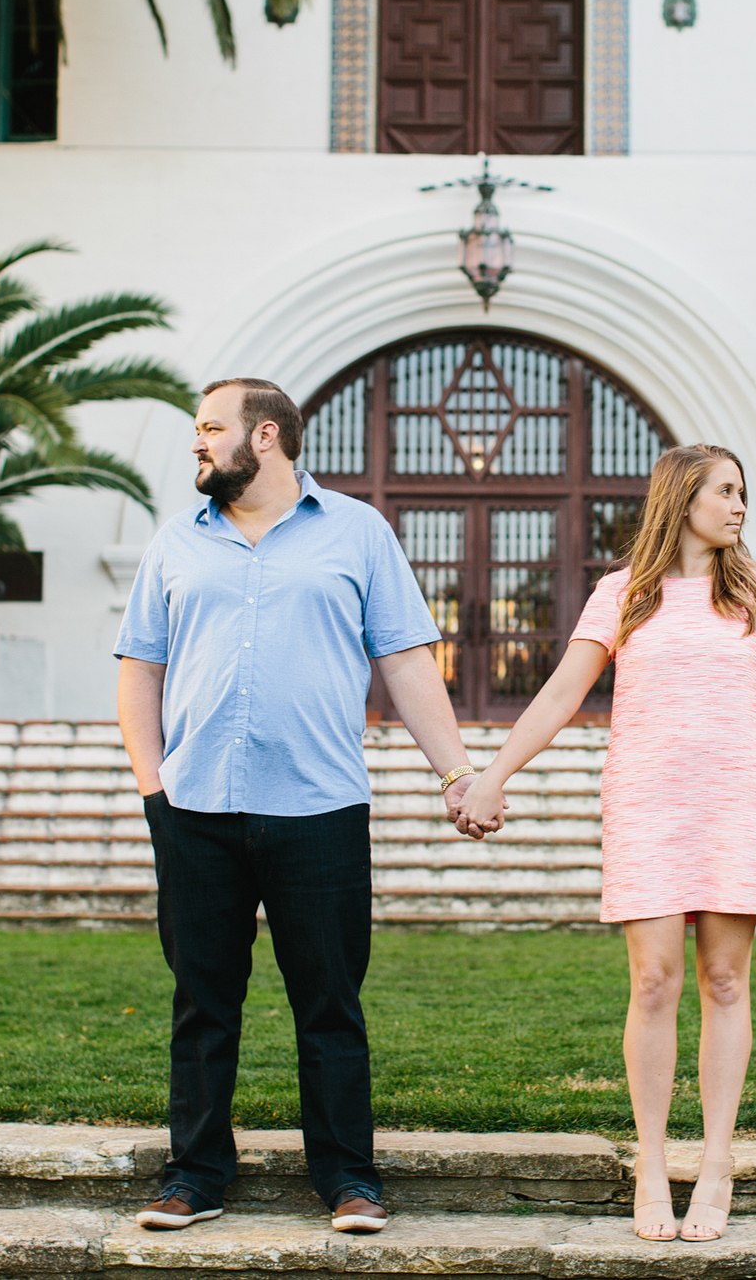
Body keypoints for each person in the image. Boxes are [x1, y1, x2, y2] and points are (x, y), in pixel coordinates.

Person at [115, 377, 495, 1236]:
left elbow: (405, 660)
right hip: (197, 808)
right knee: (202, 999)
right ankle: (197, 1173)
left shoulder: (358, 532)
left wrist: (457, 774)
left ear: (267, 438)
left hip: (320, 810)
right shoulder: (176, 542)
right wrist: (153, 786)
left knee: (330, 1001)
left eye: (211, 428)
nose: (197, 444)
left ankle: (348, 1177)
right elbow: (140, 667)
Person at [456, 443, 756, 1243]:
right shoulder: (624, 595)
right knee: (653, 981)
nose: (740, 505)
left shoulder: (755, 593)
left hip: (739, 800)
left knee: (724, 980)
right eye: (726, 490)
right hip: (650, 803)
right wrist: (493, 775)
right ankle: (652, 1164)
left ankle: (715, 1164)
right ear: (684, 497)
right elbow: (560, 692)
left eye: (743, 492)